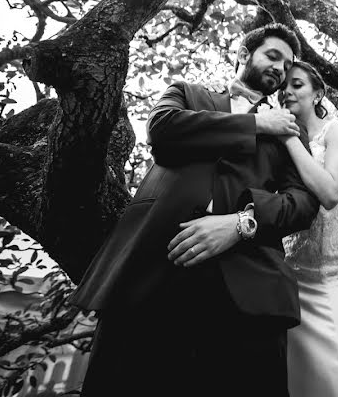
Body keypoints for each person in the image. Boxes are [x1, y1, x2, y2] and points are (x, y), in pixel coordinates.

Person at [70, 23, 320, 397]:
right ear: (242, 54)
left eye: (287, 66)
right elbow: (162, 129)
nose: (280, 70)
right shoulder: (187, 93)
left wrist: (241, 223)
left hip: (249, 293)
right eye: (273, 56)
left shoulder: (289, 131)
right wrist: (255, 123)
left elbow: (303, 202)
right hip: (151, 277)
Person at [279, 61, 338, 397]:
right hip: (296, 278)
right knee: (307, 384)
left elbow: (330, 193)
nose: (287, 91)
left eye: (297, 84)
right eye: (282, 87)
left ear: (318, 92)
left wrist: (288, 139)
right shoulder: (278, 140)